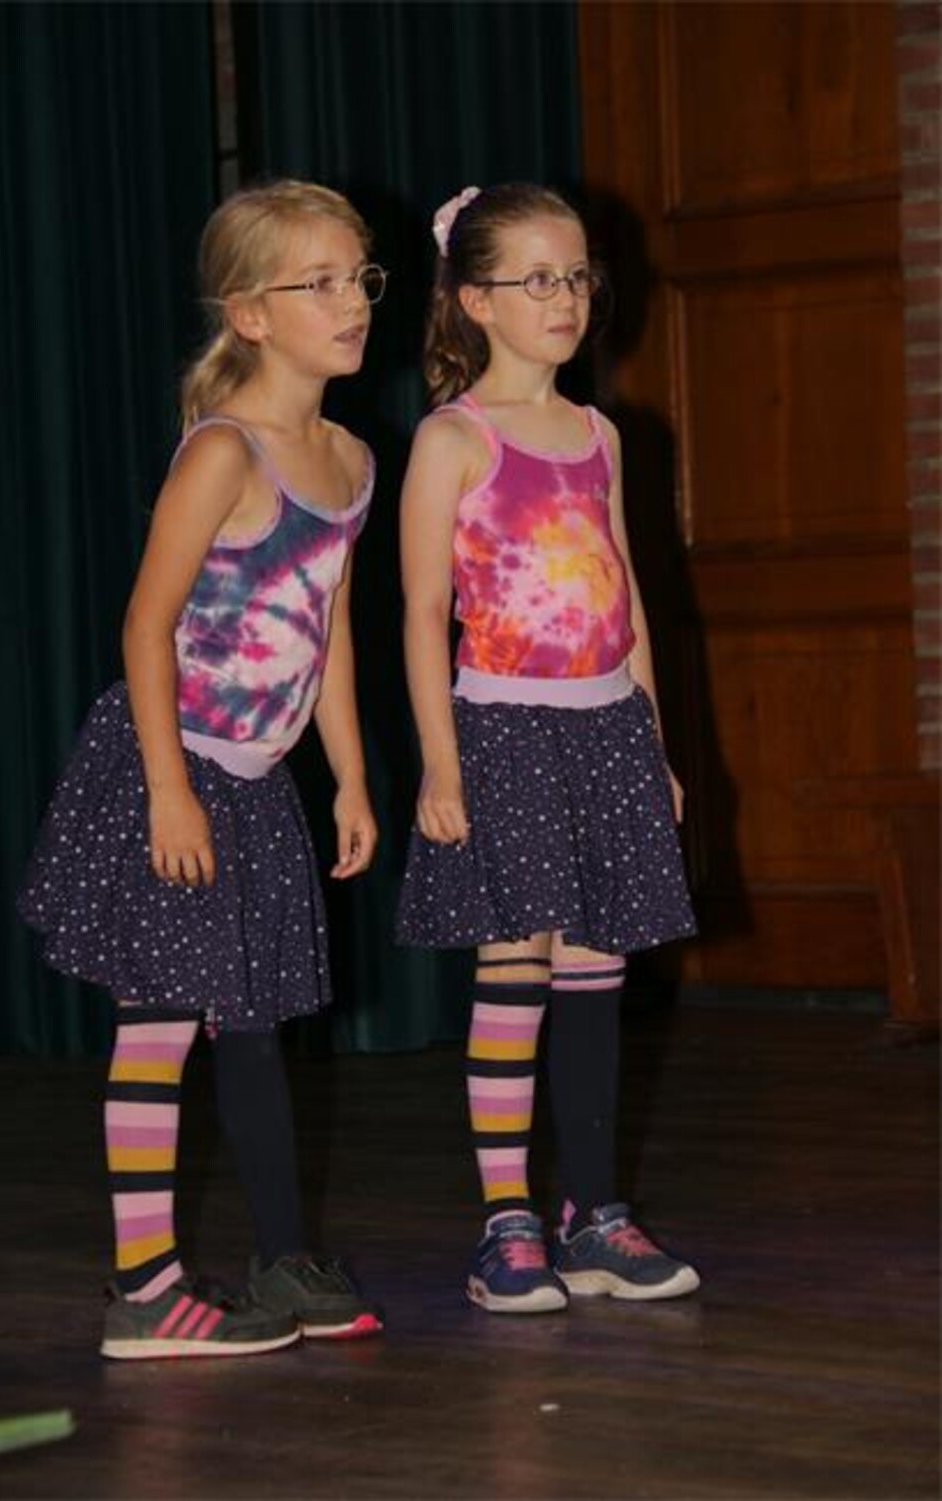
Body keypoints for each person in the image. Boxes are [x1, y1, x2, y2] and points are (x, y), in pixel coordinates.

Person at [19, 180, 388, 1358]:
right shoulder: (225, 453)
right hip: (167, 766)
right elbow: (145, 623)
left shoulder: (348, 458)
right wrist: (169, 787)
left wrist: (349, 774)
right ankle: (144, 1287)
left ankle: (282, 1258)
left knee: (253, 1020)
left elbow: (328, 629)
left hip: (257, 781)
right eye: (318, 283)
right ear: (250, 314)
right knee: (160, 1021)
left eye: (359, 277)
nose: (351, 301)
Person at [396, 183, 699, 1315]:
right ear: (475, 300)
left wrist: (653, 742)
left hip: (604, 727)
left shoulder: (600, 435)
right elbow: (422, 612)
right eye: (535, 279)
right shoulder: (452, 438)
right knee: (514, 971)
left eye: (576, 276)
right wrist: (441, 763)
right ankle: (507, 1222)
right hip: (504, 728)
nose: (564, 297)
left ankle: (596, 1217)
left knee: (597, 974)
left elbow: (627, 598)